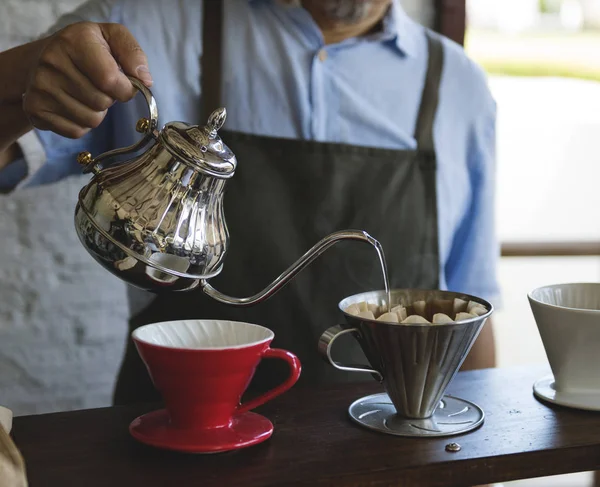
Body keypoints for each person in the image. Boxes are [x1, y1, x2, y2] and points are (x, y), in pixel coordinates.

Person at [0, 0, 499, 405]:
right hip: (178, 446)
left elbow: (468, 326)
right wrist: (18, 75)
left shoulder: (459, 85)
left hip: (388, 460)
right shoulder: (144, 29)